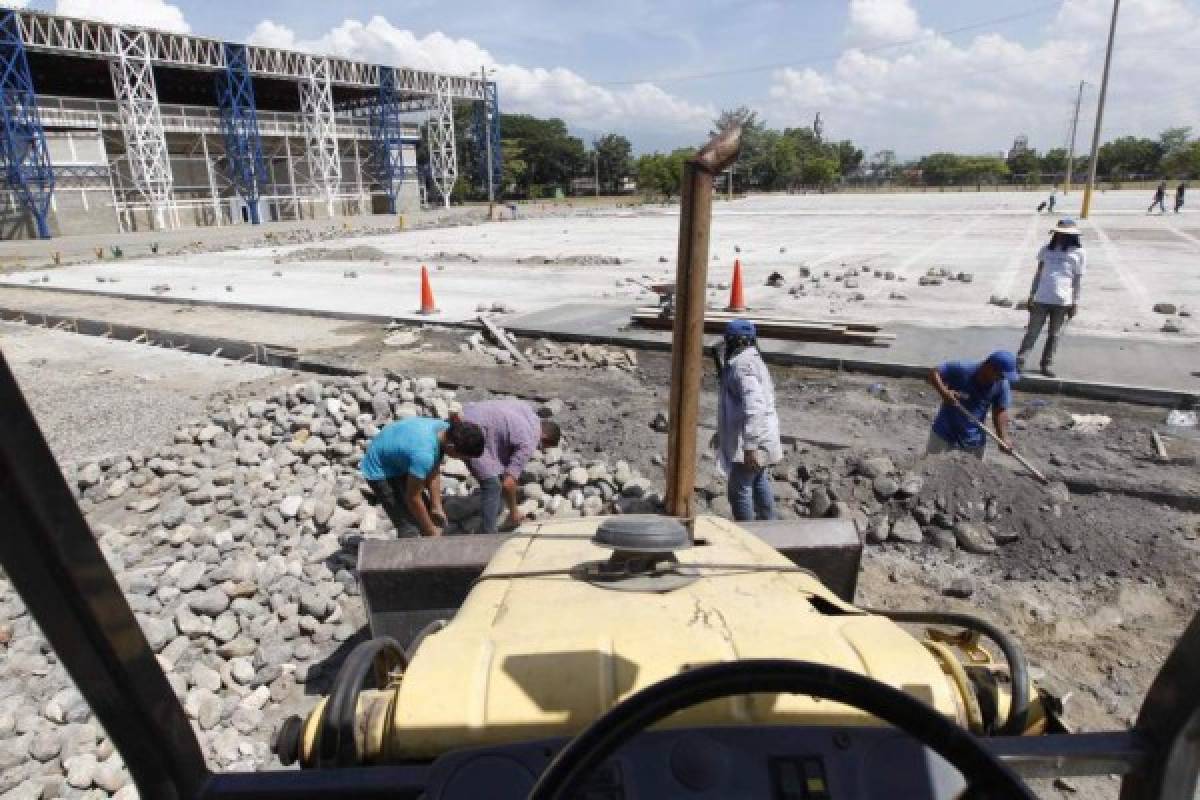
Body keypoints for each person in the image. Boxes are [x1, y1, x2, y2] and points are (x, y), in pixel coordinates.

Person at [361, 416, 485, 537]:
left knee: (425, 514)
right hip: (379, 468)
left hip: (398, 453)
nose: (462, 460)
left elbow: (434, 468)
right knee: (409, 527)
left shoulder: (444, 429)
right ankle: (410, 551)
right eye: (461, 457)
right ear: (451, 447)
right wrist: (430, 530)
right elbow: (413, 498)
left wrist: (436, 506)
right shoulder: (424, 454)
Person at [715, 319, 783, 521]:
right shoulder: (750, 361)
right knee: (759, 479)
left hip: (752, 439)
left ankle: (749, 535)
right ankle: (769, 527)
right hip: (757, 434)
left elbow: (754, 407)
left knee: (740, 489)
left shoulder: (743, 366)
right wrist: (722, 433)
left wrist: (750, 445)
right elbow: (736, 405)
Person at [461, 399, 562, 533]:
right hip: (469, 432)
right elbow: (508, 484)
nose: (538, 448)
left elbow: (503, 431)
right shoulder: (529, 440)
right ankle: (487, 535)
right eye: (541, 446)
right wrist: (514, 512)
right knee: (492, 486)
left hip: (465, 412)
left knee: (495, 474)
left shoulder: (527, 410)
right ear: (543, 436)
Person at [1016, 218, 1085, 377]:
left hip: (1063, 302)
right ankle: (1019, 362)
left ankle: (1046, 365)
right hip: (1041, 298)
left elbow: (1077, 280)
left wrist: (1075, 302)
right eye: (1059, 233)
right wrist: (1031, 294)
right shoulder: (1046, 250)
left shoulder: (1079, 253)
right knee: (1032, 333)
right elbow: (1038, 274)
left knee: (1054, 335)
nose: (1061, 236)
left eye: (1065, 234)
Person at [926, 352, 1018, 459]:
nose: (1001, 379)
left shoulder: (1001, 384)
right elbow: (934, 373)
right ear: (989, 367)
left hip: (973, 440)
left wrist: (1003, 437)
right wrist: (944, 392)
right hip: (943, 434)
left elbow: (1000, 411)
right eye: (1000, 375)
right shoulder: (963, 368)